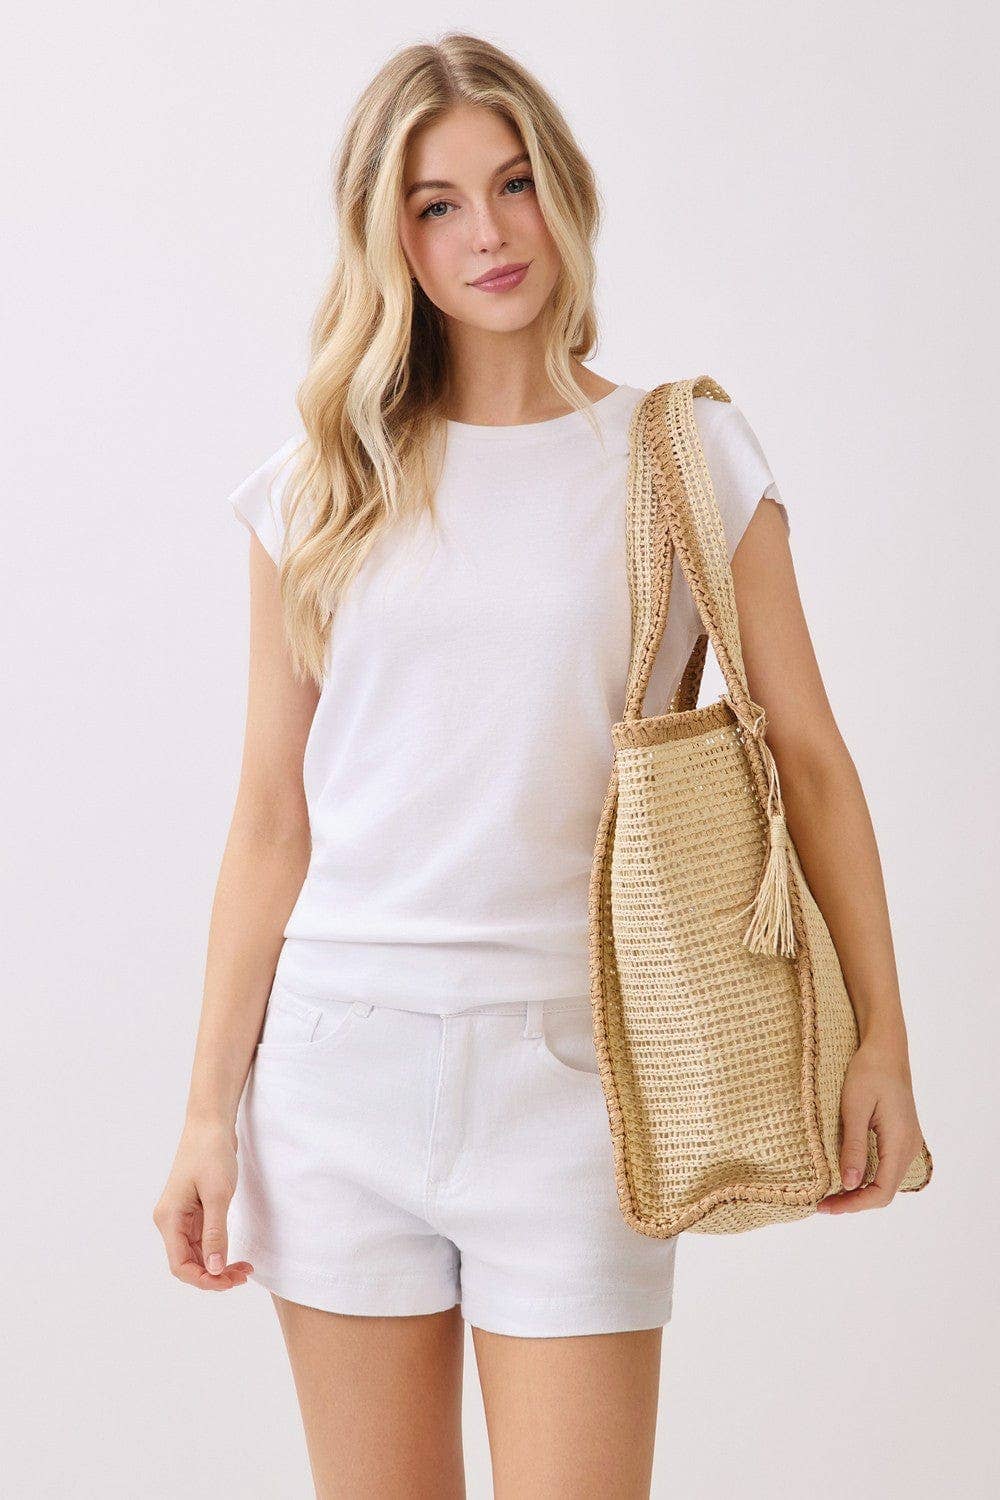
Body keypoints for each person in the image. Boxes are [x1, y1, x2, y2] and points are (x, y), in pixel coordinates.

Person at [152, 31, 929, 1499]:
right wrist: (206, 1115)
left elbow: (813, 763)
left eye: (513, 185)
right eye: (436, 204)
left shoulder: (683, 452)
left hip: (580, 1083)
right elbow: (269, 820)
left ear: (566, 191)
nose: (489, 234)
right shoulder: (322, 486)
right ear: (387, 235)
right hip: (334, 1068)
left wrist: (879, 1040)